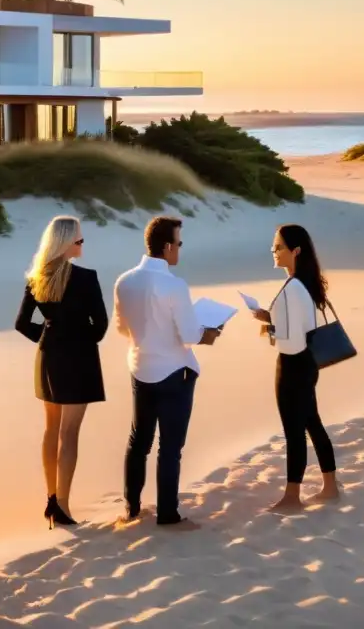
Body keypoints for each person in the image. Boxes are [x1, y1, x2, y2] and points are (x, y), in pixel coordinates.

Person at [113, 216, 220, 528]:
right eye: (180, 243)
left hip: (140, 366)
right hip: (174, 371)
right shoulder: (174, 285)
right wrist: (208, 334)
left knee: (138, 441)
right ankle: (168, 514)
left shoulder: (124, 280)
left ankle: (131, 508)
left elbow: (121, 329)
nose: (180, 249)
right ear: (167, 246)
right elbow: (189, 334)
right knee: (170, 447)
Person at [15, 215, 108, 528]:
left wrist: (49, 336)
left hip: (48, 357)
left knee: (51, 430)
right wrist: (79, 340)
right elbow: (101, 326)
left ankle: (52, 499)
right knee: (69, 434)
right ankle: (64, 508)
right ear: (66, 243)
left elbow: (22, 323)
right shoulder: (85, 278)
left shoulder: (36, 277)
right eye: (79, 240)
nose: (82, 244)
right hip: (77, 359)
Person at [252, 224, 339, 511]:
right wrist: (270, 320)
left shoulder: (292, 288)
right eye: (273, 247)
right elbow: (300, 327)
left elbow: (290, 339)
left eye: (279, 247)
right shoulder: (303, 284)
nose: (274, 252)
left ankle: (292, 496)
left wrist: (269, 329)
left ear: (295, 251)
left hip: (292, 365)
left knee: (294, 430)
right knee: (311, 422)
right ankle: (330, 486)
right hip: (306, 364)